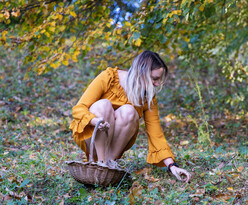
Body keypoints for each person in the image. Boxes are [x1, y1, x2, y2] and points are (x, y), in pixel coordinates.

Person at [69, 51, 191, 182]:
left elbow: (156, 134)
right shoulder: (108, 78)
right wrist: (95, 121)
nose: (156, 84)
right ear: (141, 74)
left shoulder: (147, 98)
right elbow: (78, 109)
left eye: (158, 79)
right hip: (92, 136)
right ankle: (100, 163)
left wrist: (172, 166)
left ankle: (109, 165)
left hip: (115, 144)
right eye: (154, 78)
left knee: (129, 111)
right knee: (103, 105)